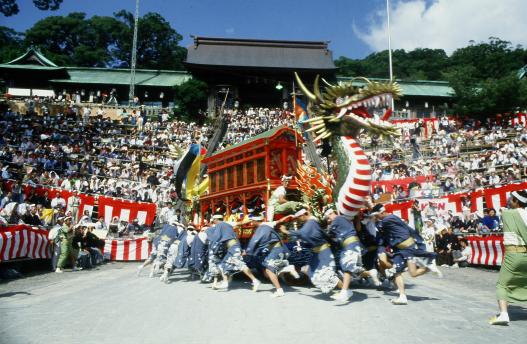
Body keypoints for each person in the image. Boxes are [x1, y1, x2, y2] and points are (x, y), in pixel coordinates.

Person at [372, 204, 441, 305]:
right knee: (408, 273)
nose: (376, 217)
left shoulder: (389, 219)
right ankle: (403, 295)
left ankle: (427, 267)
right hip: (401, 251)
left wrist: (371, 218)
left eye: (377, 215)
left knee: (405, 272)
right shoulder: (388, 219)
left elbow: (378, 226)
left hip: (407, 249)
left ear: (382, 212)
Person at [279, 206, 342, 295]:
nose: (299, 220)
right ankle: (337, 288)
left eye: (299, 217)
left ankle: (345, 290)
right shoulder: (311, 222)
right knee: (307, 270)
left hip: (323, 253)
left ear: (304, 215)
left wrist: (286, 231)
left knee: (328, 275)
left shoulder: (311, 222)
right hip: (317, 253)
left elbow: (302, 233)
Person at [489, 189, 527, 325]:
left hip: (513, 254)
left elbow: (503, 210)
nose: (509, 201)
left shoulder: (507, 213)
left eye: (512, 199)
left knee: (502, 285)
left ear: (516, 202)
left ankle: (504, 314)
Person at [244, 214, 299, 298]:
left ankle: (279, 290)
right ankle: (287, 268)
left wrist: (247, 251)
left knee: (269, 270)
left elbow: (254, 242)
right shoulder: (265, 226)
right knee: (266, 273)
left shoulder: (262, 228)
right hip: (274, 249)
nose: (251, 222)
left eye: (252, 221)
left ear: (255, 221)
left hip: (275, 250)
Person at [207, 212, 261, 291]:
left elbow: (216, 237)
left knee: (240, 265)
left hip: (232, 248)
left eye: (213, 220)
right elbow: (235, 237)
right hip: (233, 247)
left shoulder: (219, 225)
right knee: (223, 265)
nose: (213, 222)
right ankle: (225, 282)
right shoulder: (227, 225)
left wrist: (212, 246)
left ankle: (255, 280)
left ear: (215, 219)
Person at [324, 207, 367, 302]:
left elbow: (329, 234)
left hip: (350, 244)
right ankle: (371, 273)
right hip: (351, 245)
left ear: (331, 214)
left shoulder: (337, 219)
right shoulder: (342, 219)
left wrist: (325, 230)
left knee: (347, 267)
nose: (328, 220)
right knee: (349, 268)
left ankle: (344, 292)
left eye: (328, 218)